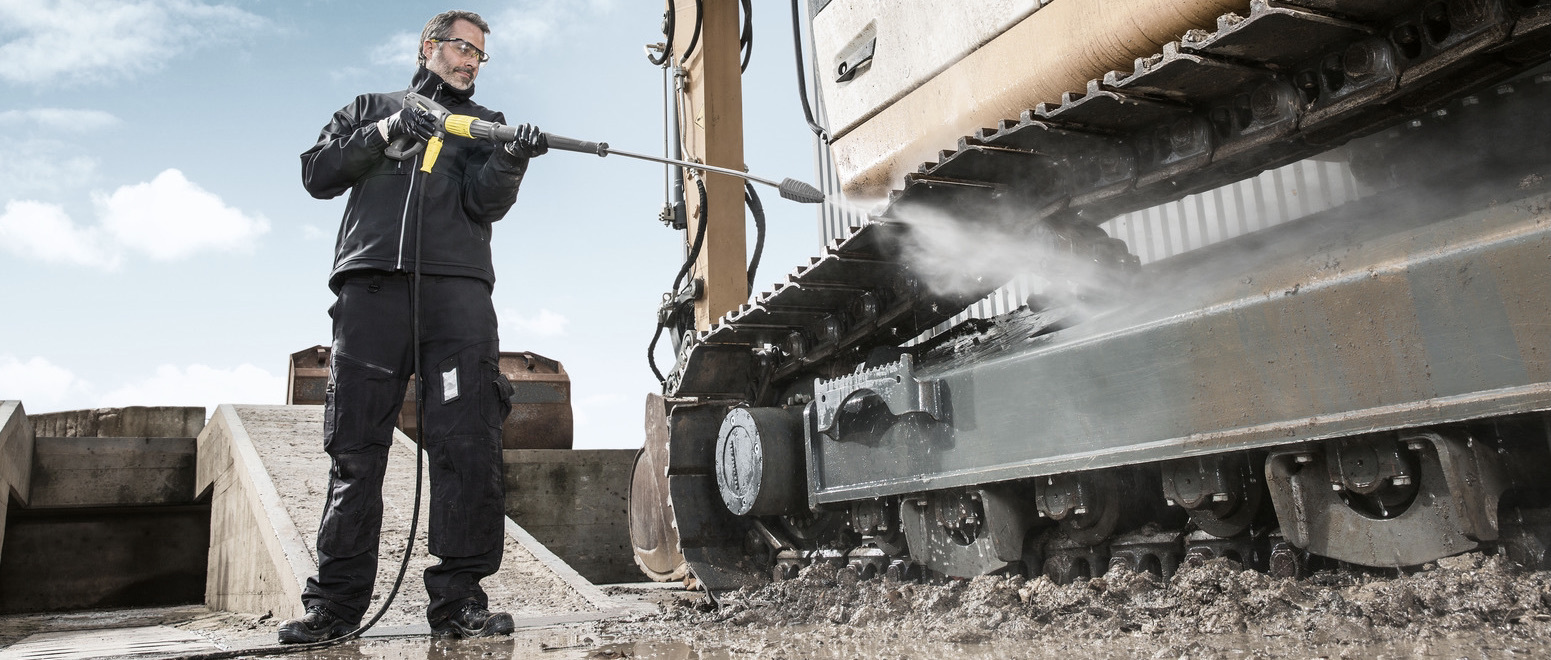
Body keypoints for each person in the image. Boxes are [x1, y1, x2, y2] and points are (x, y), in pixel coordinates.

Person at [281, 10, 547, 643]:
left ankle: (459, 602)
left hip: (456, 299)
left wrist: (511, 156)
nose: (470, 62)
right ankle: (336, 608)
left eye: (481, 55)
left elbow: (485, 203)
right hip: (372, 292)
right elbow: (317, 172)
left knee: (467, 444)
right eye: (462, 48)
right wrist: (387, 129)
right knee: (355, 449)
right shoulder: (370, 107)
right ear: (430, 47)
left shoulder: (484, 129)